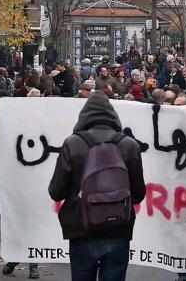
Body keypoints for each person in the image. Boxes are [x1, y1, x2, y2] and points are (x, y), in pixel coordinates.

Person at [48, 91, 146, 281]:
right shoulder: (129, 145)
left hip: (81, 228)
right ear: (113, 116)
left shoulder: (72, 144)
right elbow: (139, 193)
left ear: (84, 117)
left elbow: (56, 191)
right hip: (119, 229)